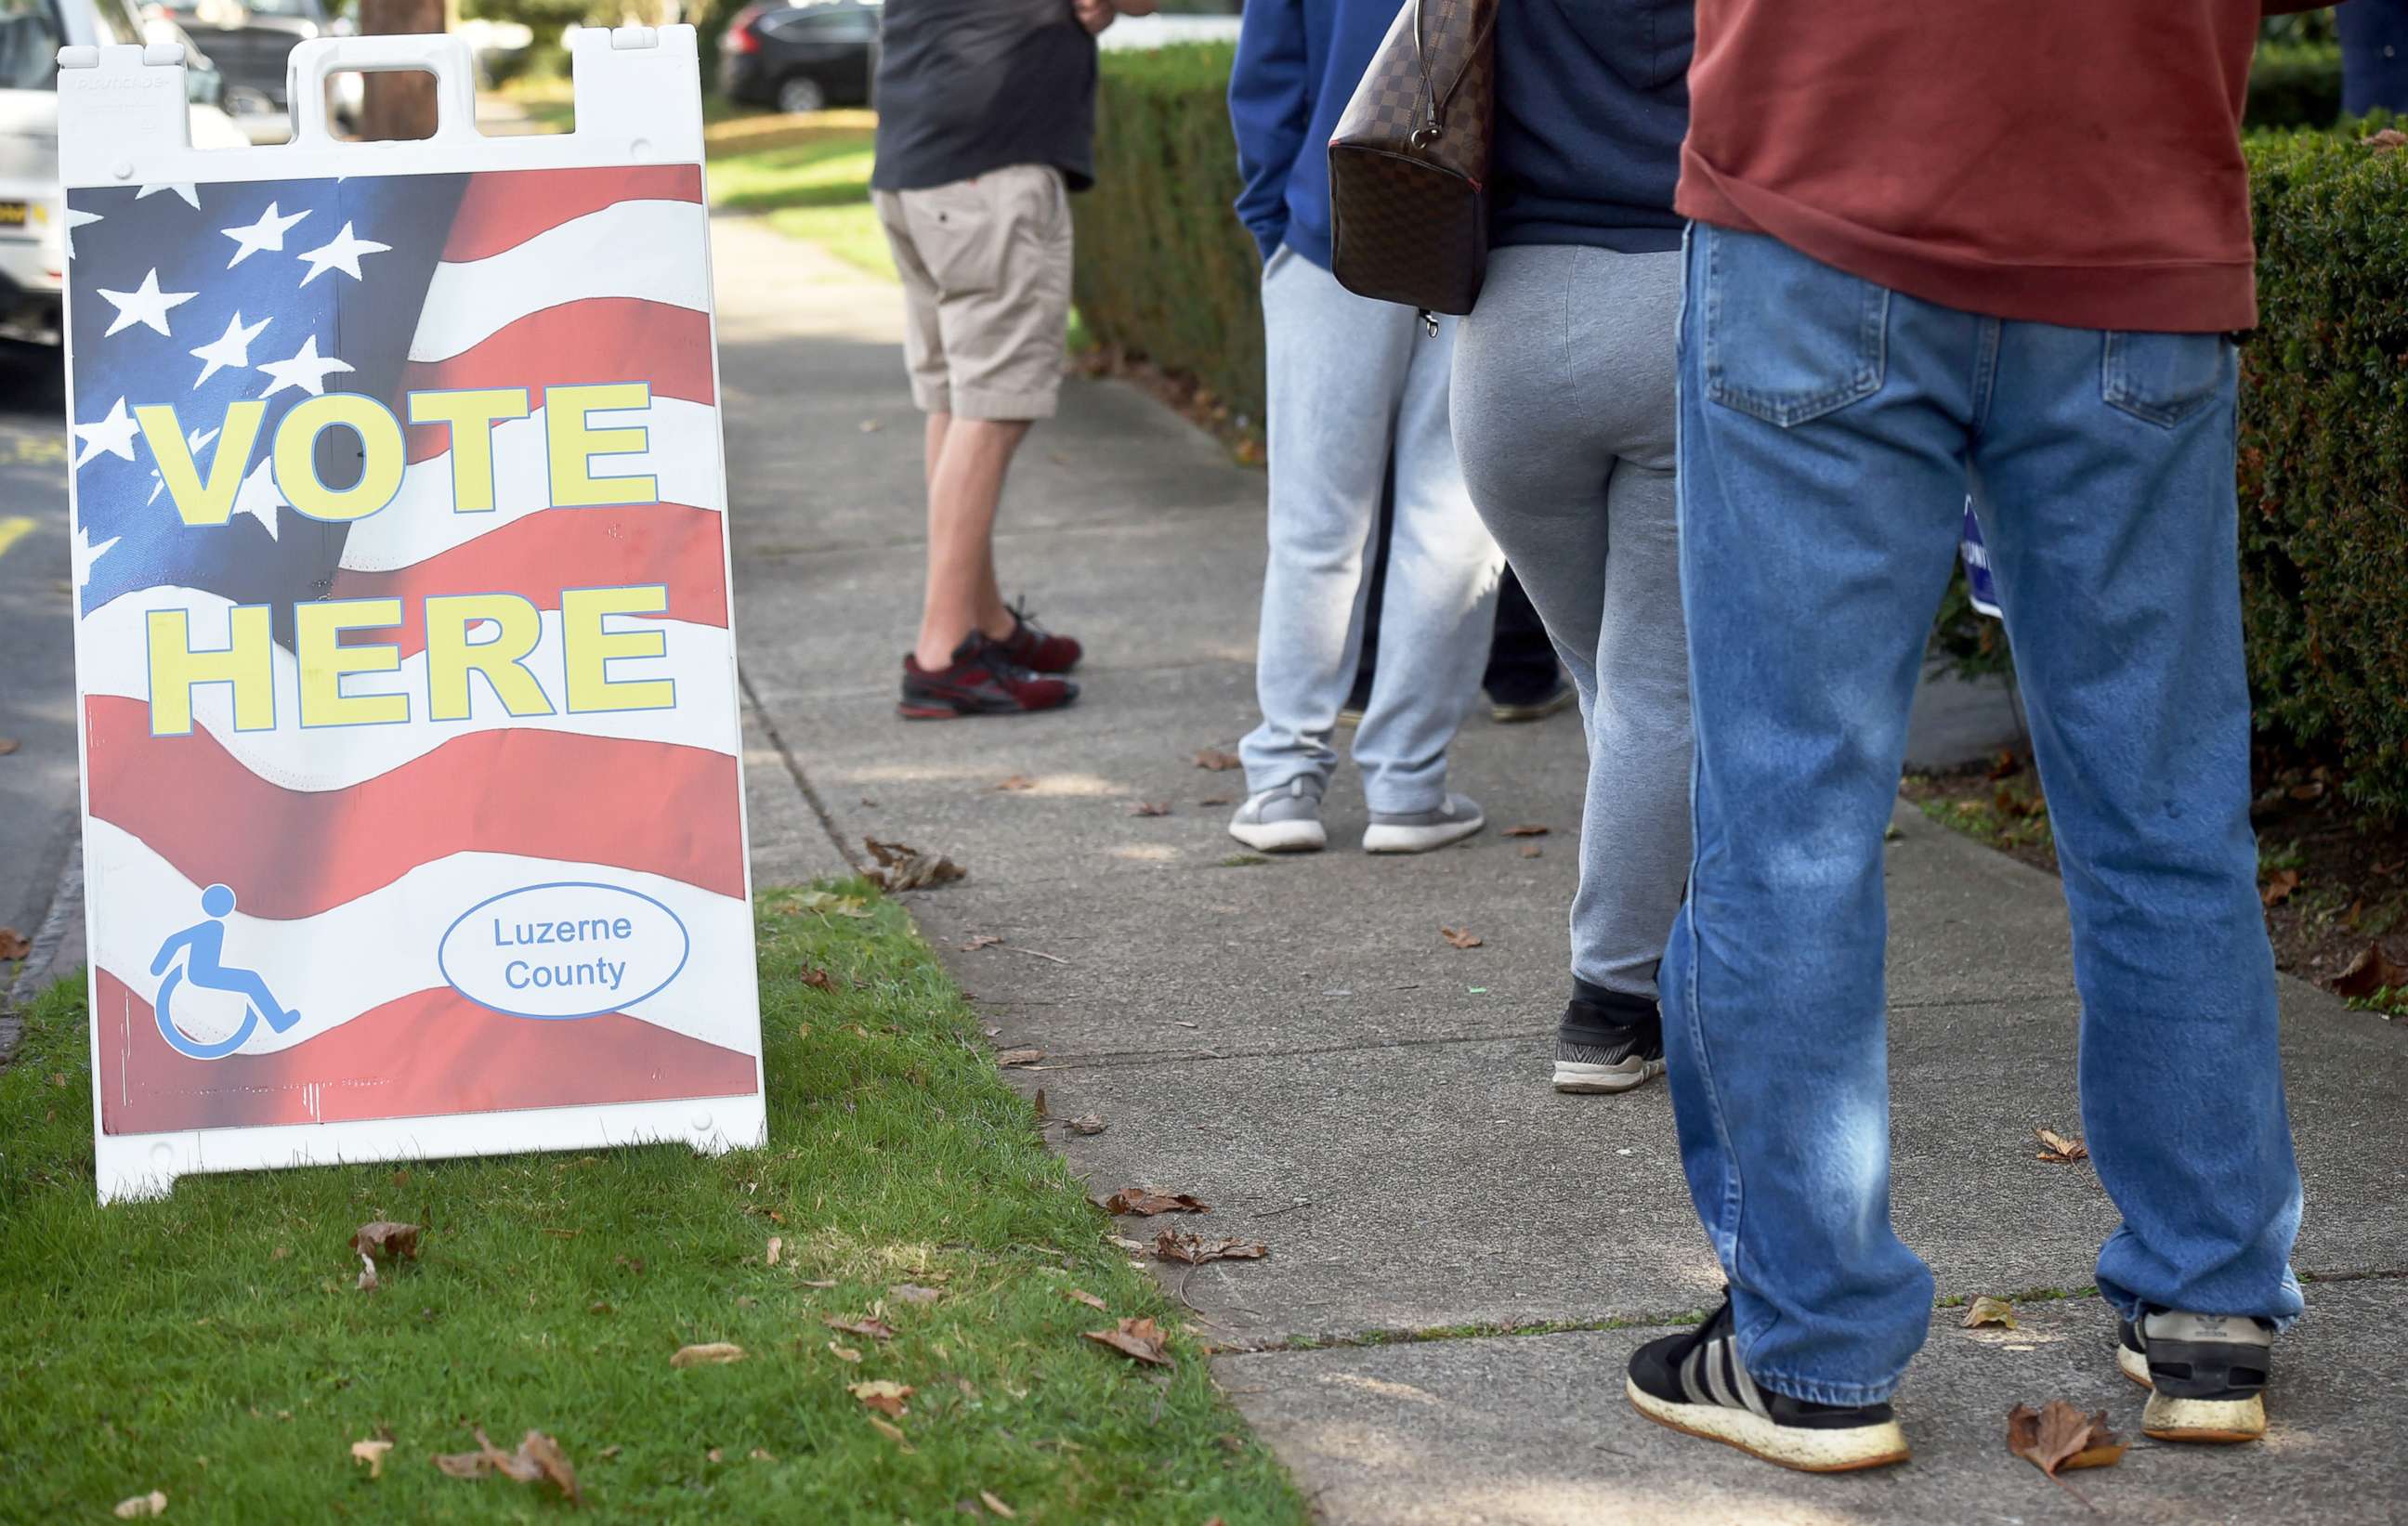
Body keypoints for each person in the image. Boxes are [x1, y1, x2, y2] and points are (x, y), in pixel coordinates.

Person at [1625, 0, 2314, 1473]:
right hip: (2136, 220)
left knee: (1793, 817)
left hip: (1820, 197)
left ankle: (1812, 1350)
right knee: (2165, 813)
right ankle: (2209, 1306)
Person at [1450, 1, 1695, 1096]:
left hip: (1506, 332)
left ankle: (1657, 945)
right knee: (1657, 690)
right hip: (1683, 301)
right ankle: (1611, 1000)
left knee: (1613, 676)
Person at [1224, 0, 1505, 855]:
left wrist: (1280, 219)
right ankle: (1409, 787)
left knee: (1317, 522)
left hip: (1335, 220)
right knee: (1450, 519)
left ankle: (1282, 783)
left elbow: (1271, 69)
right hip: (1477, 227)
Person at [870, 0, 1156, 720]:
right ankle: (942, 653)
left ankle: (982, 619)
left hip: (916, 158)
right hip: (990, 167)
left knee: (957, 401)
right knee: (993, 409)